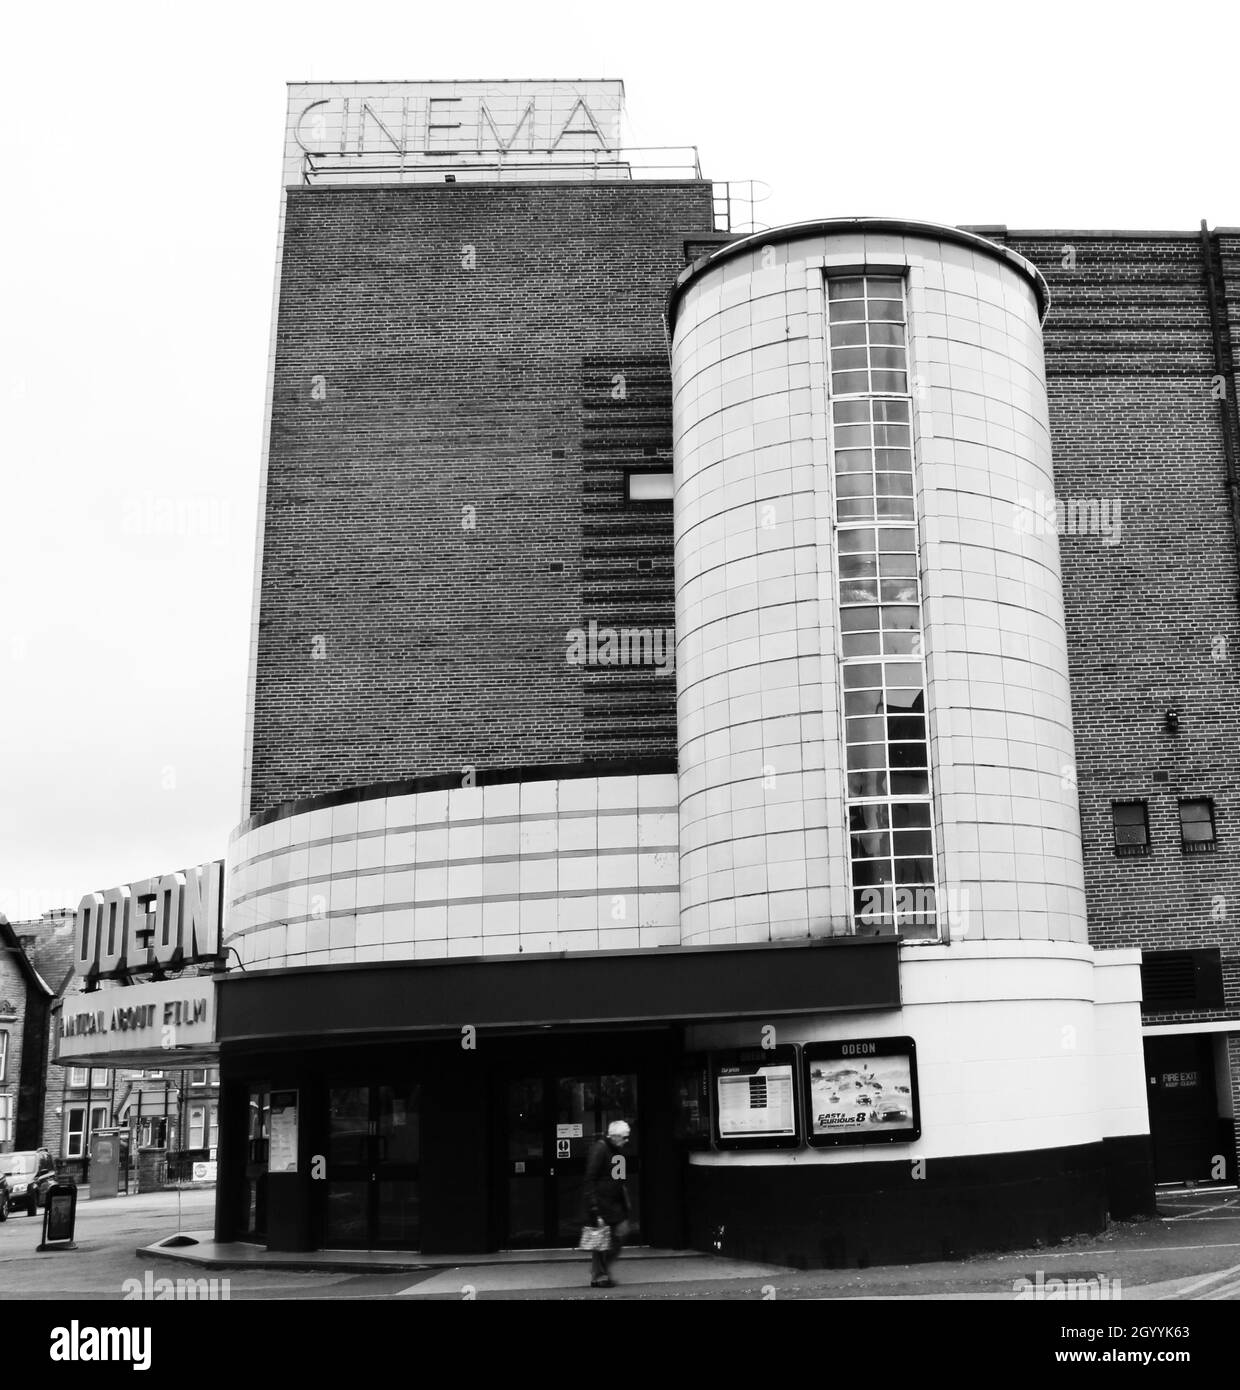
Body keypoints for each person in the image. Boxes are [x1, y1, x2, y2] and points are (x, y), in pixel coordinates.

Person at [582, 1119, 632, 1287]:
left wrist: (624, 1203)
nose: (627, 1140)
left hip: (614, 1204)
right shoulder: (600, 1149)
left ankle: (599, 1273)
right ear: (615, 1136)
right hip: (602, 1204)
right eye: (624, 1137)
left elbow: (620, 1178)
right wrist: (594, 1208)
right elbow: (590, 1179)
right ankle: (599, 1276)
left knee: (618, 1236)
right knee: (602, 1241)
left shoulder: (618, 1151)